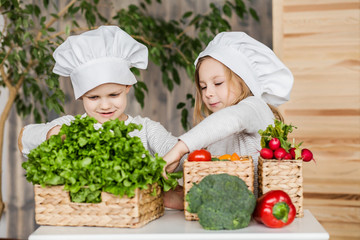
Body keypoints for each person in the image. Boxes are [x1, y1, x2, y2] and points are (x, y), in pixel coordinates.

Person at [18, 26, 183, 209]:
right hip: (85, 220)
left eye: (114, 95)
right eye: (93, 97)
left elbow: (179, 153)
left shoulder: (145, 129)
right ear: (80, 96)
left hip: (135, 222)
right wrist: (52, 134)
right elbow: (24, 138)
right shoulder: (72, 125)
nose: (105, 106)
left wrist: (169, 169)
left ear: (128, 86)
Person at [163, 31, 294, 208]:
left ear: (243, 80)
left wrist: (180, 148)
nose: (208, 93)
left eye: (217, 83)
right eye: (203, 86)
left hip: (259, 217)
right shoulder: (214, 127)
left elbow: (235, 118)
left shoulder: (256, 107)